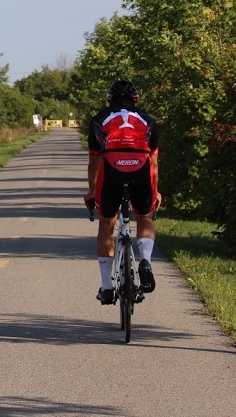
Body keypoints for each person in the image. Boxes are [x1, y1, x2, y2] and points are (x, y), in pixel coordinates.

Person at [84, 79, 161, 305]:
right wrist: (156, 191)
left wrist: (91, 191)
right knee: (144, 217)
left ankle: (107, 288)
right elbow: (154, 161)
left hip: (112, 169)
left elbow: (94, 161)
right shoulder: (147, 120)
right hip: (141, 168)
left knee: (106, 224)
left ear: (109, 100)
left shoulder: (99, 119)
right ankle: (145, 260)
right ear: (135, 100)